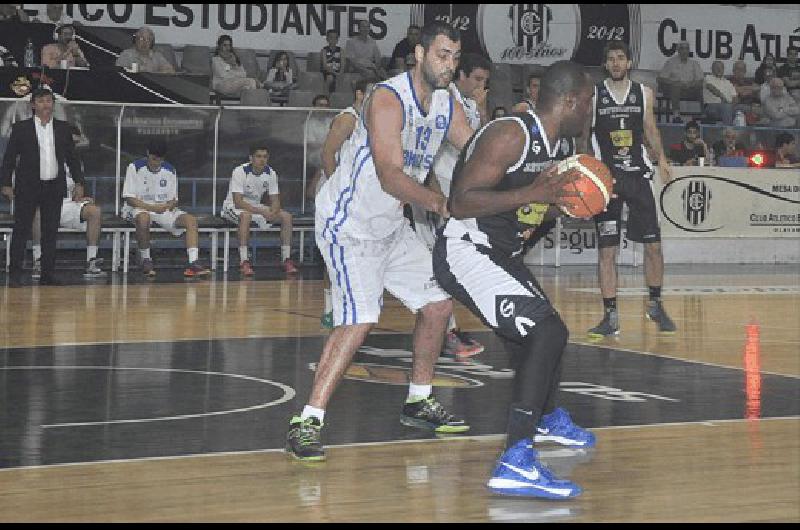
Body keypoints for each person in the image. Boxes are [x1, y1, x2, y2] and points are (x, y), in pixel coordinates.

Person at [285, 21, 476, 461]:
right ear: (419, 54)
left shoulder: (449, 103)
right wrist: (440, 203)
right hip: (347, 224)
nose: (449, 66)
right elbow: (391, 176)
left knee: (438, 305)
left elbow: (475, 148)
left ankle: (419, 399)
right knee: (358, 319)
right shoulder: (389, 98)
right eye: (442, 55)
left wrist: (523, 166)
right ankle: (307, 422)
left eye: (455, 58)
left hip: (390, 226)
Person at [434, 60, 596, 499]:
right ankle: (515, 460)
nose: (590, 110)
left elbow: (524, 214)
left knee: (541, 332)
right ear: (570, 101)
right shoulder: (511, 134)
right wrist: (534, 194)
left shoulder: (556, 144)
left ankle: (546, 416)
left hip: (501, 252)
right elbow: (462, 202)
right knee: (548, 332)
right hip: (464, 250)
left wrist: (556, 209)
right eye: (588, 102)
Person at [587, 41, 676, 337]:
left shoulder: (644, 93)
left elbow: (650, 129)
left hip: (638, 177)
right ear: (605, 64)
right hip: (607, 180)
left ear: (629, 62)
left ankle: (655, 304)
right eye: (610, 59)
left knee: (654, 246)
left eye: (620, 58)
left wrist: (661, 159)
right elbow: (585, 136)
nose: (615, 63)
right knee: (607, 252)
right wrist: (588, 172)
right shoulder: (595, 94)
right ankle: (610, 315)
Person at [411, 52, 490, 358]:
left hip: (455, 195)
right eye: (478, 79)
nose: (482, 85)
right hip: (434, 195)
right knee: (437, 265)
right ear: (463, 76)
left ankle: (442, 329)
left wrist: (482, 107)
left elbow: (483, 143)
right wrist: (431, 195)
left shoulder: (469, 105)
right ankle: (448, 332)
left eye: (486, 81)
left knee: (444, 265)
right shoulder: (444, 100)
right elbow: (426, 149)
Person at [1, 86, 83, 287]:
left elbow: (73, 159)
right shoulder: (21, 128)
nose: (45, 105)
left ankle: (47, 274)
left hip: (54, 186)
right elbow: (9, 158)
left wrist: (79, 182)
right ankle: (15, 274)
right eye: (41, 101)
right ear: (33, 105)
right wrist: (5, 184)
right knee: (21, 230)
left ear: (53, 105)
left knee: (50, 232)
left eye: (48, 101)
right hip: (27, 186)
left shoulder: (63, 128)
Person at [315, 79, 372, 327]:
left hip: (356, 196)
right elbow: (327, 154)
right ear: (359, 93)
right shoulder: (347, 119)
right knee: (334, 255)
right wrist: (336, 190)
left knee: (355, 255)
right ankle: (330, 309)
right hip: (337, 194)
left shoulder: (371, 122)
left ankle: (351, 307)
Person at [121, 139, 210, 278]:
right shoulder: (134, 167)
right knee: (144, 218)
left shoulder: (170, 170)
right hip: (138, 207)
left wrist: (167, 206)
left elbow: (173, 200)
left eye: (159, 160)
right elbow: (129, 198)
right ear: (147, 154)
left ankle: (193, 263)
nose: (156, 163)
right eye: (153, 159)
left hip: (162, 209)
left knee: (190, 220)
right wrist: (151, 207)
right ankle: (146, 260)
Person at [30, 126, 104, 279]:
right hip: (48, 203)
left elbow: (80, 184)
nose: (74, 146)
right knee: (36, 212)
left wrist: (85, 196)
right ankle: (38, 261)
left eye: (76, 143)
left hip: (70, 204)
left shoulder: (76, 161)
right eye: (71, 142)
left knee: (94, 211)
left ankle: (91, 262)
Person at [221, 143, 298, 276]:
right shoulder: (240, 171)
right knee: (245, 216)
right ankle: (244, 261)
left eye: (265, 157)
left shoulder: (271, 173)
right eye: (258, 156)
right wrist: (263, 212)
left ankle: (286, 259)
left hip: (255, 207)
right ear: (251, 158)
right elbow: (238, 202)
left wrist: (273, 212)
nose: (262, 160)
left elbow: (275, 200)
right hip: (232, 206)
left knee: (286, 216)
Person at [657, 41, 704, 123]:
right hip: (673, 89)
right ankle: (676, 116)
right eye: (682, 48)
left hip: (689, 89)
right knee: (676, 86)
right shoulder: (671, 62)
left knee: (701, 86)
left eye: (687, 48)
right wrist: (674, 82)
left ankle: (704, 114)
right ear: (678, 50)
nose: (685, 51)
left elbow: (700, 80)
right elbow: (660, 78)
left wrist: (691, 84)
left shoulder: (694, 63)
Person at [703, 60, 737, 125]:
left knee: (743, 110)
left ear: (723, 69)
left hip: (729, 106)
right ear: (712, 69)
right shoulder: (707, 78)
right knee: (726, 107)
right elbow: (710, 87)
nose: (719, 69)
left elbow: (735, 97)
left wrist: (732, 105)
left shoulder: (728, 82)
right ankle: (728, 131)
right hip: (711, 106)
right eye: (716, 67)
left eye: (721, 68)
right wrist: (722, 97)